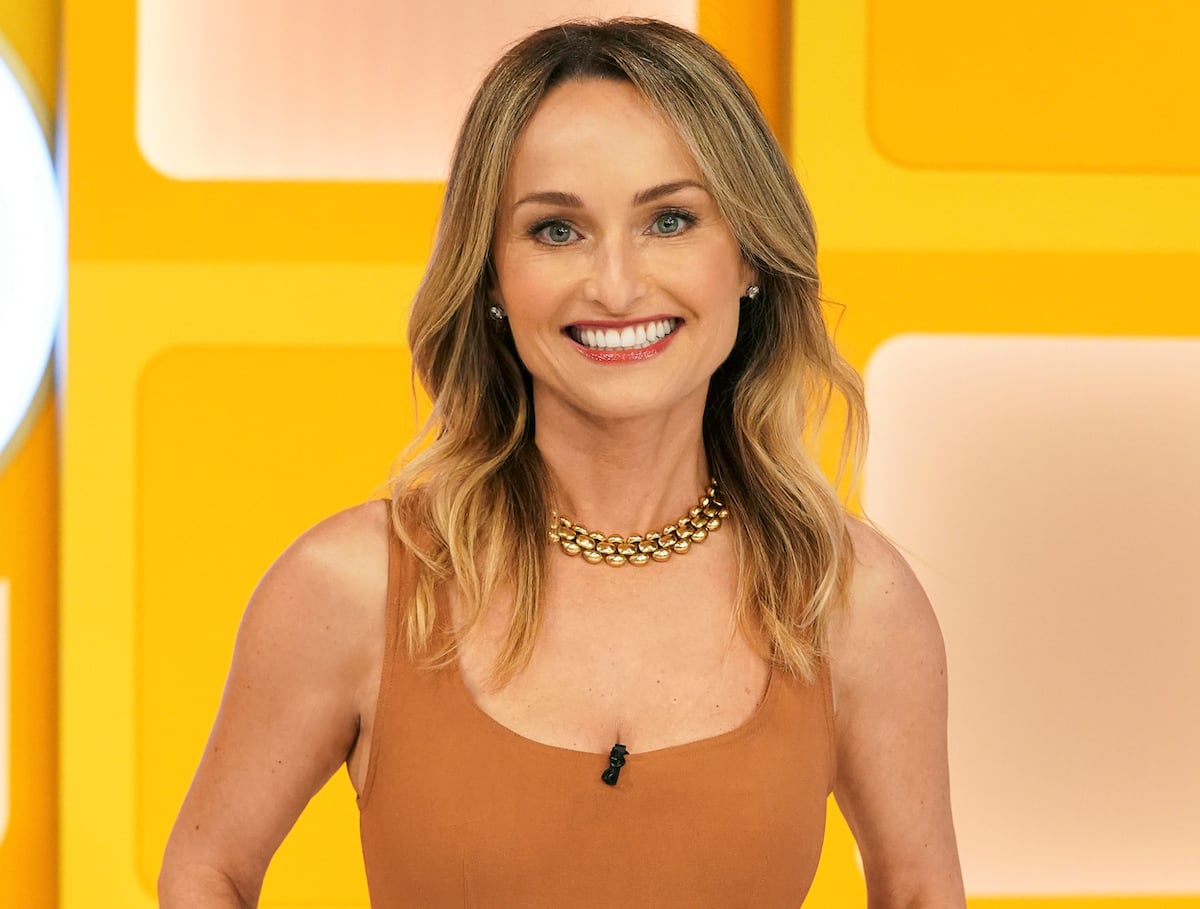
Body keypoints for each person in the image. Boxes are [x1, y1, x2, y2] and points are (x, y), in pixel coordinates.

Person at [159, 17, 964, 908]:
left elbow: (921, 890)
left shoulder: (849, 599)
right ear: (492, 277)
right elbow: (206, 870)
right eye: (556, 230)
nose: (615, 285)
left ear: (749, 258)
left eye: (670, 220)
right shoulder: (354, 587)